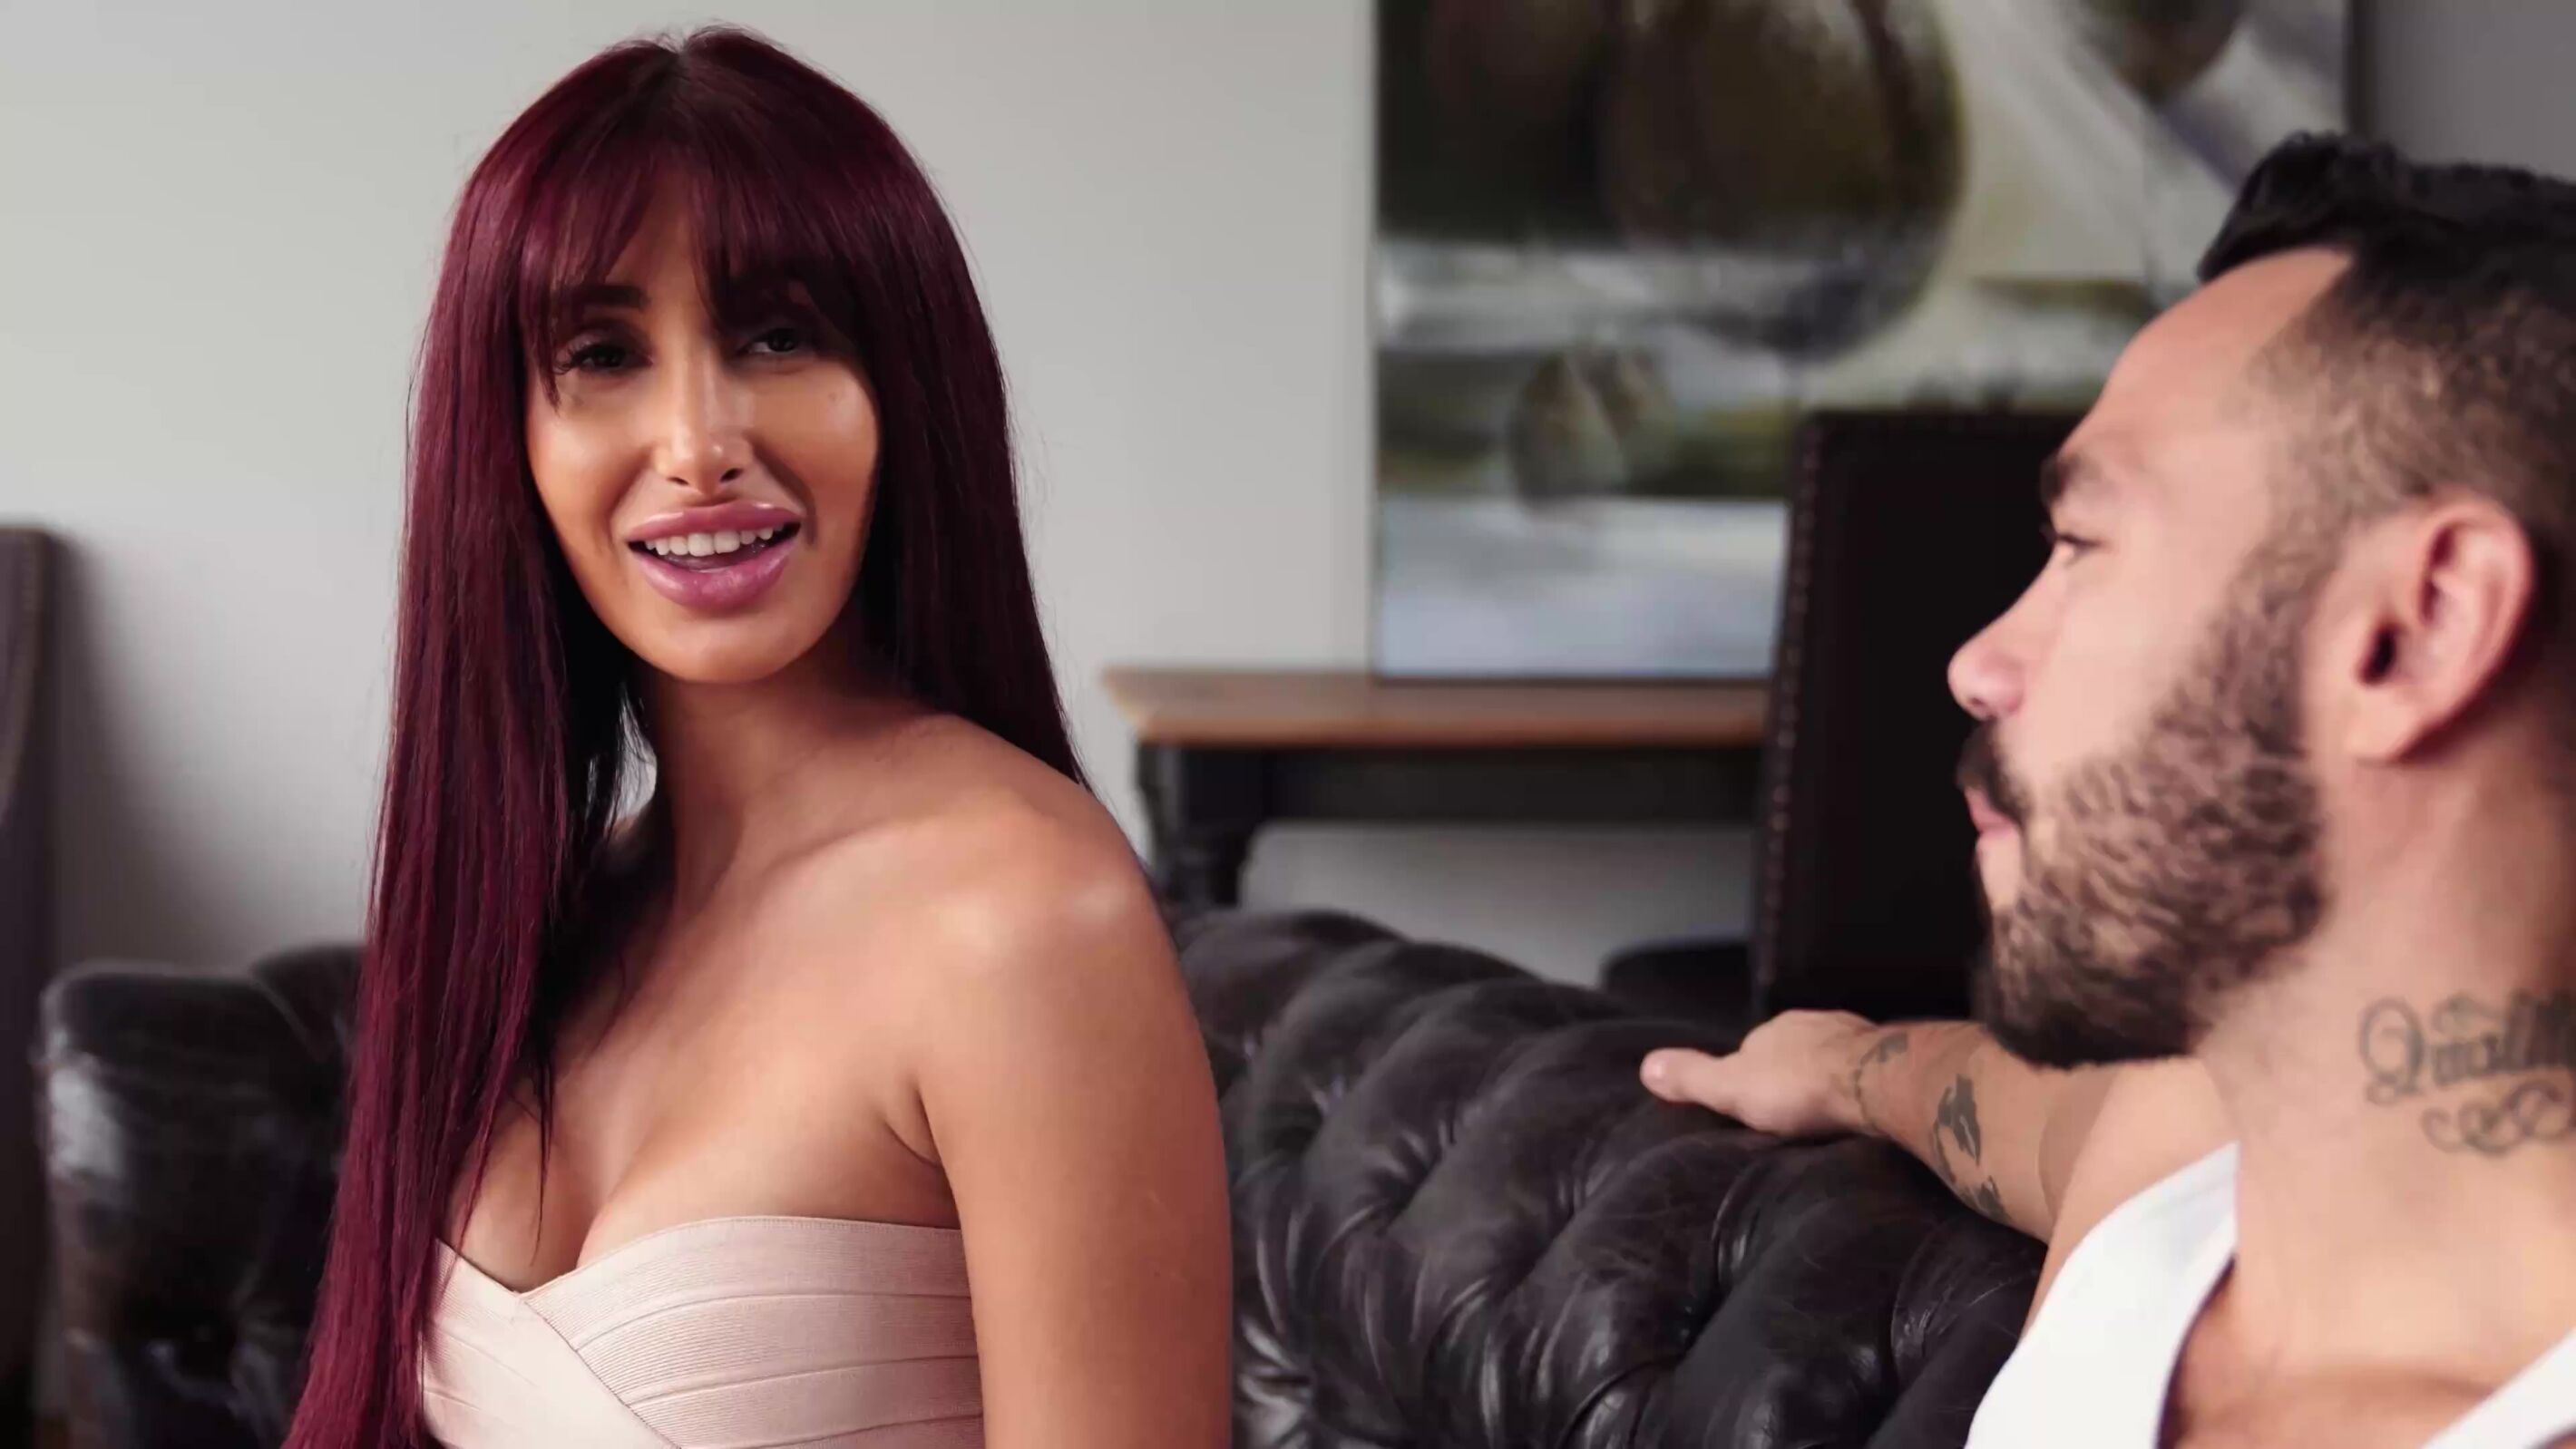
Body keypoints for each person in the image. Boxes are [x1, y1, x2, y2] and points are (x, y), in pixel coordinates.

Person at [282, 27, 1230, 1449]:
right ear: (509, 441)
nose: (695, 442)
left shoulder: (1023, 918)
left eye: (778, 335)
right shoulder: (557, 913)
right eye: (603, 354)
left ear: (904, 390)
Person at [1643, 133, 2576, 1448]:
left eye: (2085, 543)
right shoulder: (2173, 1170)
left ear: (2418, 629)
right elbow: (1993, 1100)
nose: (1977, 663)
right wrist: (1844, 1065)